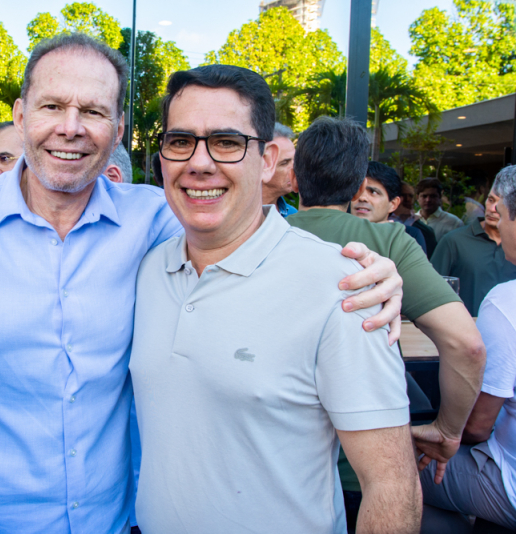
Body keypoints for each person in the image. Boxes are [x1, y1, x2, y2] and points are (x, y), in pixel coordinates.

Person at [0, 33, 403, 534]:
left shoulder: (154, 219)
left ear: (117, 128)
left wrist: (370, 275)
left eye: (93, 112)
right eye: (52, 106)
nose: (70, 128)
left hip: (108, 520)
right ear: (21, 115)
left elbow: (237, 222)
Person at [130, 66, 419, 534]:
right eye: (180, 141)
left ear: (268, 161)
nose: (199, 163)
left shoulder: (343, 287)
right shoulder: (145, 269)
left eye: (226, 142)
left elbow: (392, 486)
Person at [286, 119, 485, 527]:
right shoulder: (389, 242)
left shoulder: (252, 240)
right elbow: (467, 345)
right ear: (358, 186)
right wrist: (447, 431)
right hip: (364, 474)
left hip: (274, 470)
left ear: (293, 178)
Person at [420, 165, 516, 532]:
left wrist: (432, 431)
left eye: (502, 213)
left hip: (508, 483)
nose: (498, 223)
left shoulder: (506, 303)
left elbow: (475, 427)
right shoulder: (456, 242)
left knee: (398, 464)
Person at [432, 181, 516, 316]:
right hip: (463, 326)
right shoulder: (454, 241)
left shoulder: (512, 246)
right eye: (490, 200)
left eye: (501, 203)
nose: (493, 208)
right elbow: (430, 292)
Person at [352, 161, 428, 253]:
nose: (362, 198)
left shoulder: (408, 236)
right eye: (357, 190)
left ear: (393, 204)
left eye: (373, 192)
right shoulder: (338, 229)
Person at [392, 181, 438, 258]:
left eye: (410, 196)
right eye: (403, 195)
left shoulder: (425, 231)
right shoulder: (380, 223)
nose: (407, 199)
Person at [261, 122, 298, 216]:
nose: (295, 169)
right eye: (285, 163)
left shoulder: (292, 215)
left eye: (295, 161)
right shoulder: (234, 218)